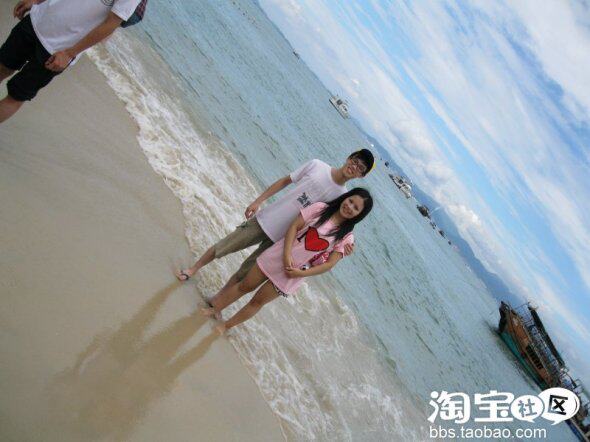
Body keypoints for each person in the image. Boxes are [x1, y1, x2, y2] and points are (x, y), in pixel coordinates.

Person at [175, 149, 375, 296]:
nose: (354, 167)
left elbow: (342, 224)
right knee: (225, 245)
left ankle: (217, 300)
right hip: (268, 219)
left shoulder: (343, 197)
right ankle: (193, 270)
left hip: (283, 241)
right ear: (349, 157)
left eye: (360, 168)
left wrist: (348, 246)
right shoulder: (317, 165)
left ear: (361, 176)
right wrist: (258, 201)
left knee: (244, 273)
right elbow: (285, 181)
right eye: (355, 161)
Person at [201, 188, 373, 334]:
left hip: (293, 275)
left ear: (359, 215)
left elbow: (329, 265)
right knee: (245, 285)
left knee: (257, 302)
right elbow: (294, 226)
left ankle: (225, 326)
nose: (349, 207)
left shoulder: (347, 238)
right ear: (346, 197)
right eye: (350, 201)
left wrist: (301, 273)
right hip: (277, 255)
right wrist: (286, 254)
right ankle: (214, 309)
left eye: (356, 208)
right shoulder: (320, 208)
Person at [0, 0, 142, 123]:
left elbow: (111, 24)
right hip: (38, 20)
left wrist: (70, 53)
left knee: (16, 95)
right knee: (2, 67)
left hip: (58, 50)